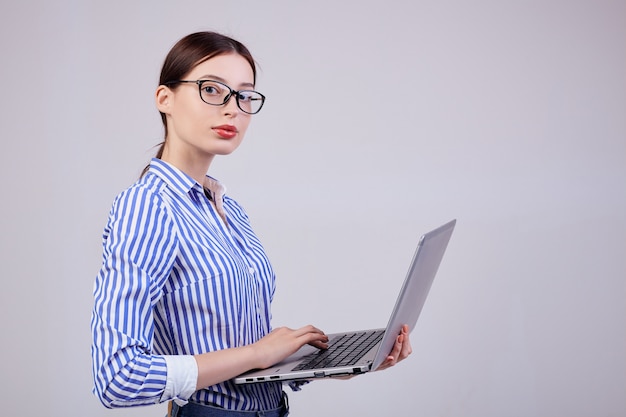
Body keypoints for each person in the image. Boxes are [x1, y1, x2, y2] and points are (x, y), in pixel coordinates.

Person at [90, 31, 412, 417]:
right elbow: (118, 378)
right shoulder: (146, 207)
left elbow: (246, 361)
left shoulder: (229, 209)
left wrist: (332, 362)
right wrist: (256, 352)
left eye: (244, 95)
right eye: (212, 89)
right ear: (165, 99)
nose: (232, 109)